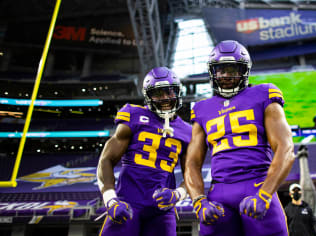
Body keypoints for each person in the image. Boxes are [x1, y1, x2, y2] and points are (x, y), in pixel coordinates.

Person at [184, 40, 295, 235]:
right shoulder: (202, 109)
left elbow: (286, 149)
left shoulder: (264, 93)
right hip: (219, 192)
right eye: (220, 70)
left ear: (244, 70)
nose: (226, 75)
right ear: (212, 72)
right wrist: (199, 200)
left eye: (232, 69)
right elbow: (191, 163)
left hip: (257, 184)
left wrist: (265, 194)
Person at [96, 67, 192, 236]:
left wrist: (178, 194)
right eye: (158, 93)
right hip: (128, 201)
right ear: (148, 96)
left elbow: (192, 175)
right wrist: (110, 199)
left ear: (177, 92)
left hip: (162, 208)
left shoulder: (188, 131)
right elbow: (106, 160)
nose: (164, 98)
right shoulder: (134, 115)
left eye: (169, 92)